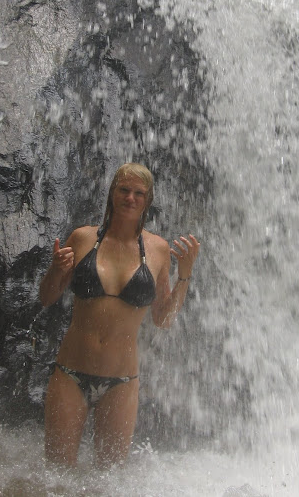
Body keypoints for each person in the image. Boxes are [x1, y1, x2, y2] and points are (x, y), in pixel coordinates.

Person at [39, 162, 200, 468]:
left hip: (122, 383)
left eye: (139, 193)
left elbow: (163, 319)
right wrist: (55, 270)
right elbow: (47, 297)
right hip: (71, 375)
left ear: (148, 200)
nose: (130, 198)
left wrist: (185, 276)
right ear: (112, 193)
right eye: (124, 190)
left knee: (109, 482)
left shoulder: (158, 250)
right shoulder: (83, 238)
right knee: (57, 477)